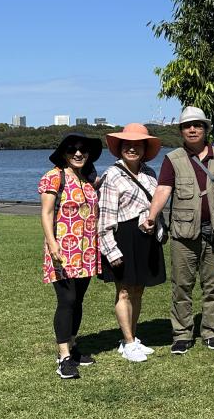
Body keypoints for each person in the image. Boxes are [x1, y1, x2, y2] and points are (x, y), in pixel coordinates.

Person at [143, 106, 214, 355]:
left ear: (206, 129)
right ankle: (182, 334)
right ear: (181, 131)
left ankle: (211, 332)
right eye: (187, 126)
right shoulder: (173, 159)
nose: (192, 129)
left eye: (197, 125)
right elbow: (163, 190)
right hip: (183, 233)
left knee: (212, 286)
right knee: (182, 286)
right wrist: (152, 215)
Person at [97, 123, 166, 364]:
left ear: (145, 149)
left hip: (145, 236)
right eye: (128, 145)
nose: (132, 149)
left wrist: (157, 227)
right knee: (124, 290)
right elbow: (104, 217)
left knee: (138, 289)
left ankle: (132, 337)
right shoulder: (111, 175)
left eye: (138, 145)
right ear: (120, 148)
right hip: (123, 236)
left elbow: (155, 205)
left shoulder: (150, 173)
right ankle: (127, 341)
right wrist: (110, 249)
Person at [38, 132, 102, 379]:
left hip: (86, 251)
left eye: (83, 150)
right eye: (73, 149)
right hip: (63, 250)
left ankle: (73, 346)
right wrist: (52, 244)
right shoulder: (54, 177)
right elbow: (46, 213)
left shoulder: (86, 179)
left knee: (78, 300)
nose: (78, 153)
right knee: (66, 300)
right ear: (64, 152)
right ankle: (63, 356)